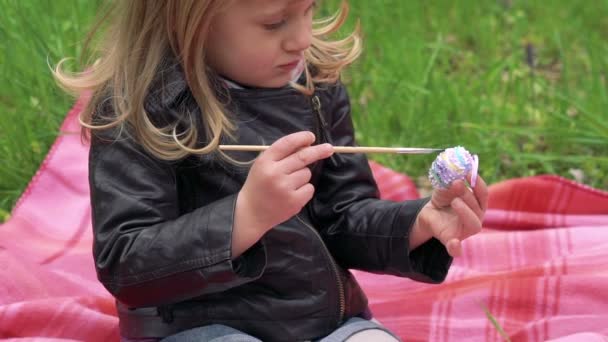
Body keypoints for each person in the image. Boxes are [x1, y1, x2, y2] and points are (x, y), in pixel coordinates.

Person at [54, 0, 488, 341]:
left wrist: (419, 223)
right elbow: (126, 264)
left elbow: (342, 218)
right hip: (197, 329)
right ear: (188, 17)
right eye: (274, 22)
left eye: (309, 10)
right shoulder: (140, 111)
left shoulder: (312, 87)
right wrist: (246, 216)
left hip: (318, 321)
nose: (301, 39)